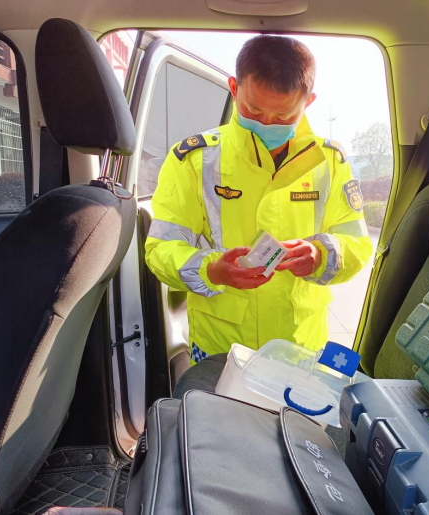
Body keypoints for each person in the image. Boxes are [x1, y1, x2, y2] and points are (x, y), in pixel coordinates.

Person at [145, 35, 373, 364]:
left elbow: (357, 245)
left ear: (308, 101)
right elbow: (160, 250)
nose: (266, 122)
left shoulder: (331, 162)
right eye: (253, 109)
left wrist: (320, 255)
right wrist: (212, 270)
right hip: (221, 346)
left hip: (300, 346)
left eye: (283, 115)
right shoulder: (194, 160)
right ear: (234, 88)